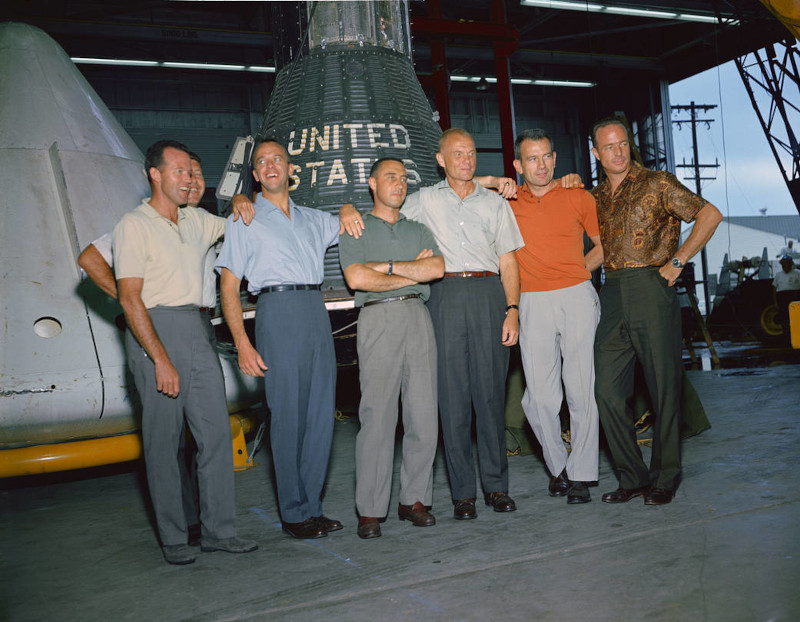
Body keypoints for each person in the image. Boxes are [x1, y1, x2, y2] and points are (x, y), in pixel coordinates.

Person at [342, 128, 524, 520]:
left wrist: (513, 308)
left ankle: (496, 487)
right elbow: (382, 210)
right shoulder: (421, 201)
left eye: (472, 153)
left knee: (490, 395)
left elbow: (509, 260)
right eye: (457, 154)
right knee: (450, 397)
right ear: (441, 160)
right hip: (442, 297)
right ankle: (462, 495)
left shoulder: (494, 205)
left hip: (488, 291)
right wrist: (347, 208)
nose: (466, 159)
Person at [78, 153, 252, 547]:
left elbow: (243, 229)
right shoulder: (133, 225)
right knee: (163, 443)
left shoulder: (196, 220)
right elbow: (106, 273)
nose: (190, 178)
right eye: (181, 171)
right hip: (155, 328)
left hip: (198, 325)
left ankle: (219, 532)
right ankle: (174, 539)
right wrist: (153, 346)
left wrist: (246, 202)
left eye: (195, 171)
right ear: (155, 175)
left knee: (215, 436)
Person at [590, 117, 722, 506]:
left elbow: (709, 214)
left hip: (652, 286)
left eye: (622, 144)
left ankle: (666, 475)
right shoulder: (594, 196)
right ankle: (632, 476)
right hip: (611, 291)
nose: (618, 152)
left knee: (664, 386)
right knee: (606, 391)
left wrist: (678, 260)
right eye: (608, 147)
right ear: (596, 154)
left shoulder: (658, 182)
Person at [217, 138, 342, 540]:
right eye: (262, 162)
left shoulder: (313, 219)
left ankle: (313, 507)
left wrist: (349, 207)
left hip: (314, 310)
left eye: (278, 160)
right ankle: (293, 513)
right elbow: (229, 284)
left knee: (321, 414)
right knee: (287, 415)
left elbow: (359, 224)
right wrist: (242, 342)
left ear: (291, 170)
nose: (271, 165)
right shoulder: (245, 218)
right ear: (255, 175)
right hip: (277, 311)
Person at [338, 158, 445, 539]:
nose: (398, 184)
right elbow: (355, 277)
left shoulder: (419, 229)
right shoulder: (355, 227)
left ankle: (413, 499)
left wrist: (381, 269)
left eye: (402, 178)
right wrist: (404, 272)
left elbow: (435, 269)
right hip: (377, 319)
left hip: (417, 317)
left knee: (423, 415)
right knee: (377, 417)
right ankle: (370, 510)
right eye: (389, 177)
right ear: (372, 183)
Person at [507, 128, 603, 504]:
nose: (541, 165)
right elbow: (465, 187)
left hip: (577, 296)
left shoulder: (578, 196)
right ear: (518, 165)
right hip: (531, 301)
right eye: (532, 158)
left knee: (580, 390)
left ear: (556, 157)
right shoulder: (507, 201)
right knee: (540, 400)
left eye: (546, 156)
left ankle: (580, 476)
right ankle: (558, 465)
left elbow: (602, 245)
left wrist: (578, 272)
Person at [773, 254, 800, 340]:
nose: (785, 266)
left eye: (787, 263)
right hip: (782, 298)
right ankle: (786, 338)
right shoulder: (778, 275)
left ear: (791, 264)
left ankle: (797, 338)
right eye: (784, 264)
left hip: (794, 297)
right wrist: (775, 302)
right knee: (784, 318)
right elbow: (774, 288)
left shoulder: (798, 273)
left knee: (796, 318)